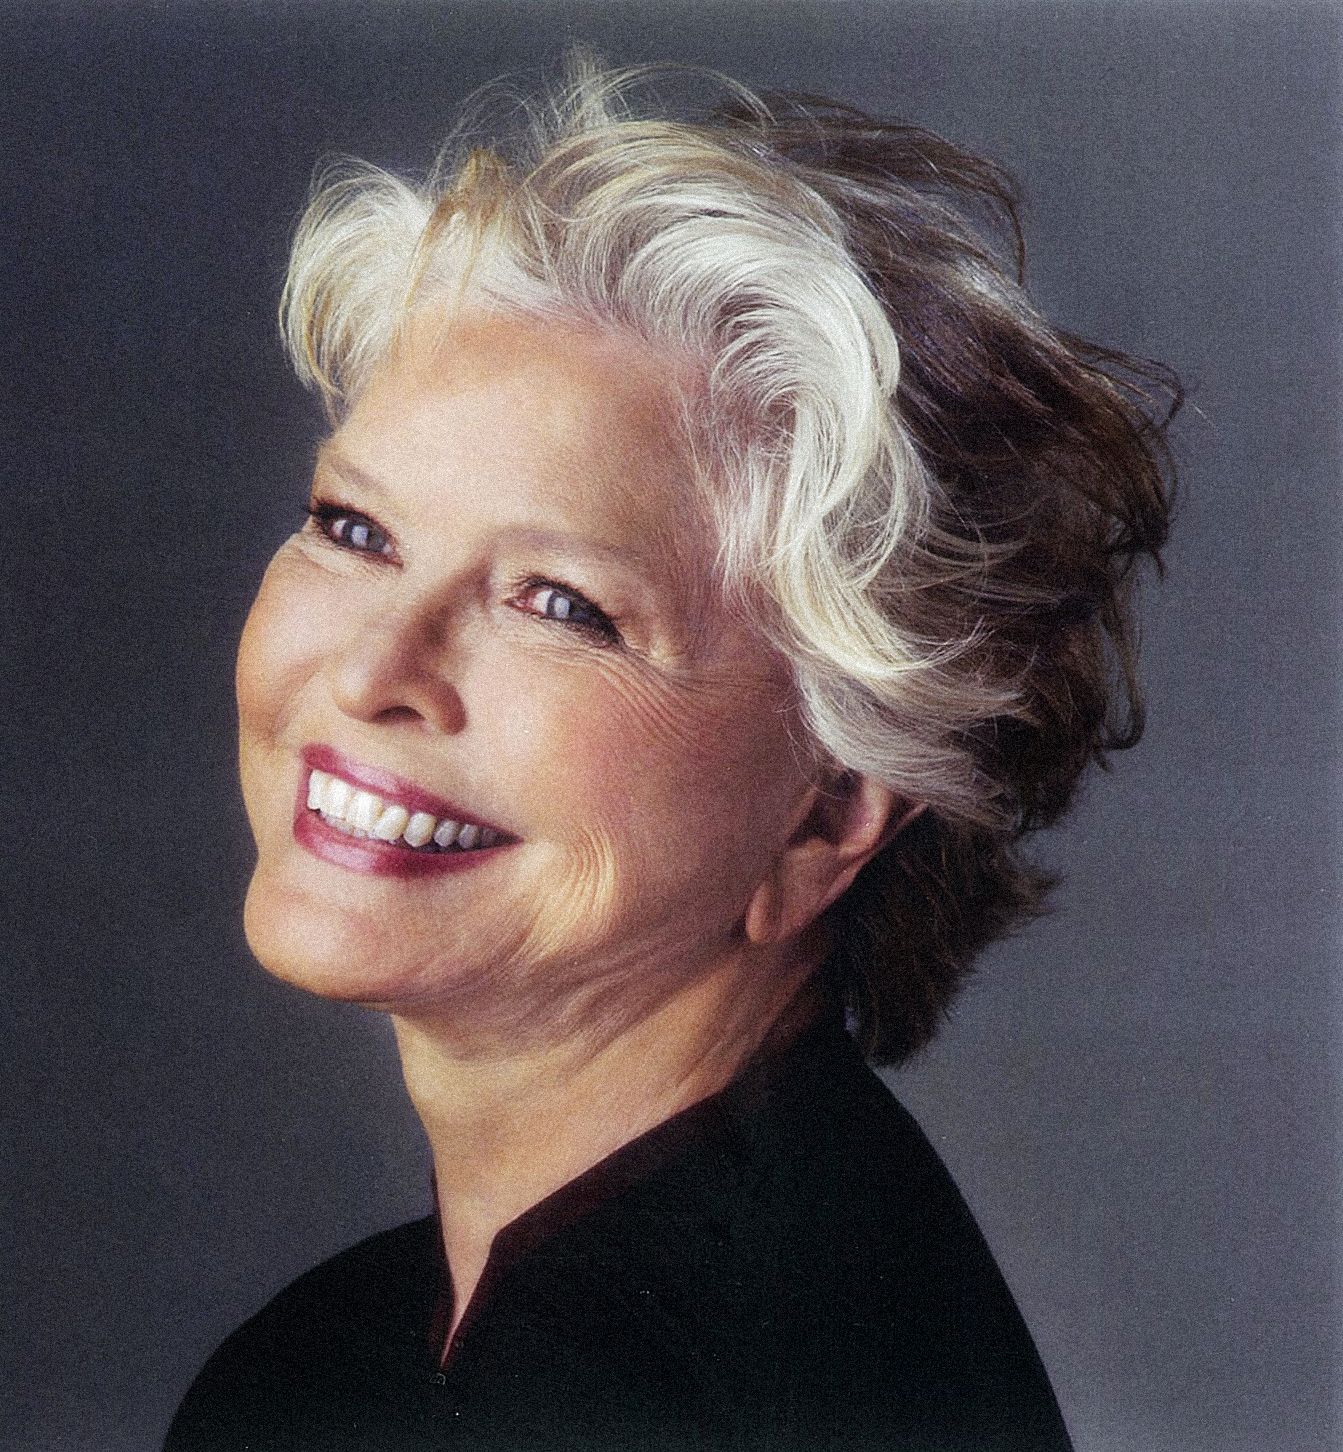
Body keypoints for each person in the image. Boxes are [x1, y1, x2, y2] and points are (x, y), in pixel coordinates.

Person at [165, 55, 1174, 1452]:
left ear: (825, 815)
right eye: (355, 530)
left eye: (561, 605)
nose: (370, 672)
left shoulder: (676, 1395)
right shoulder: (359, 1356)